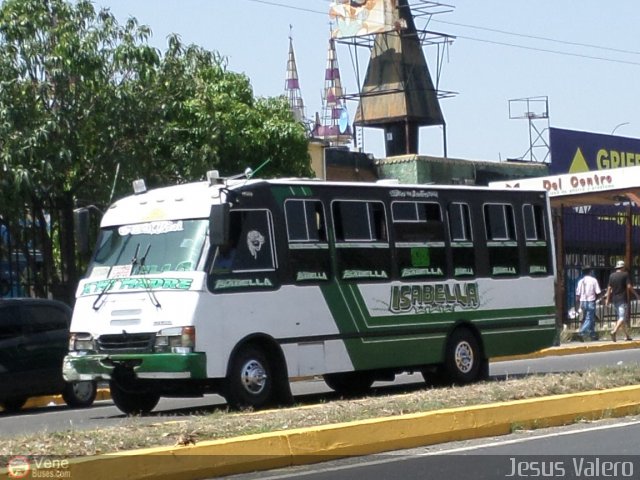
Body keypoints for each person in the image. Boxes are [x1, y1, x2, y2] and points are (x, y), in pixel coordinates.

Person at [604, 259, 640, 342]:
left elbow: (609, 288)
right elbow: (628, 286)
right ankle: (614, 331)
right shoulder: (625, 275)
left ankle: (627, 336)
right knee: (622, 317)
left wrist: (607, 299)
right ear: (623, 267)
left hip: (615, 299)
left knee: (621, 319)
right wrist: (636, 294)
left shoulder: (612, 276)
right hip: (622, 299)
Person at [574, 265, 601, 341]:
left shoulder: (580, 281)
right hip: (590, 301)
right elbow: (598, 292)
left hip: (582, 302)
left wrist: (577, 305)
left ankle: (593, 335)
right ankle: (581, 332)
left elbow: (577, 295)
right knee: (589, 318)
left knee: (589, 318)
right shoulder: (593, 280)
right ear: (590, 271)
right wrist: (598, 300)